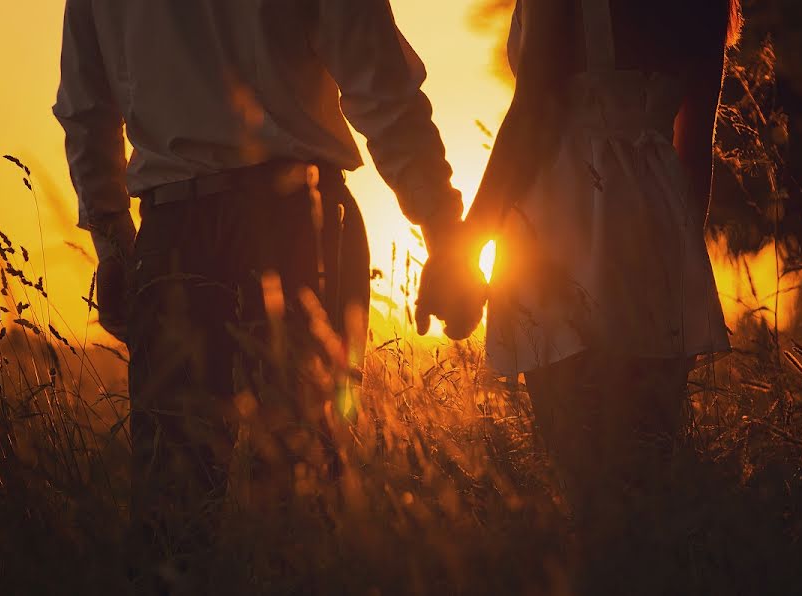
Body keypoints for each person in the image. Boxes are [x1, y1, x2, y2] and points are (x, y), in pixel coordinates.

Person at [53, 0, 481, 584]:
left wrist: (111, 239)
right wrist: (442, 228)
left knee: (173, 513)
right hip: (300, 224)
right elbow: (378, 80)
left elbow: (86, 104)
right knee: (303, 494)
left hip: (177, 234)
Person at [419, 0, 742, 589]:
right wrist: (676, 263)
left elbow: (536, 110)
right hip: (660, 224)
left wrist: (467, 248)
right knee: (644, 483)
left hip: (568, 223)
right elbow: (695, 148)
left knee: (588, 486)